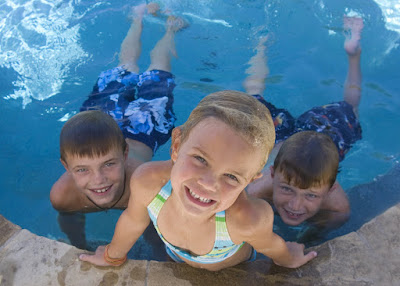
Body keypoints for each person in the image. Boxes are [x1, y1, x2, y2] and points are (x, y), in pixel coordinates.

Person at [79, 90, 317, 270]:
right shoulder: (149, 183)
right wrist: (113, 255)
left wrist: (288, 257)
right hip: (174, 255)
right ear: (176, 145)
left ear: (250, 182)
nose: (209, 183)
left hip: (234, 267)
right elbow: (133, 221)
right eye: (201, 159)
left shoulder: (247, 220)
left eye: (232, 176)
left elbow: (269, 245)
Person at [50, 3, 187, 249]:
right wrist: (78, 245)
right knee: (126, 66)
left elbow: (156, 225)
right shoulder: (63, 196)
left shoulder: (143, 184)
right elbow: (70, 222)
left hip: (146, 126)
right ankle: (137, 19)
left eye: (109, 164)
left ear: (124, 155)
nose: (99, 180)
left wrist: (160, 253)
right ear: (66, 166)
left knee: (157, 66)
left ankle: (169, 30)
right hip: (101, 123)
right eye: (82, 170)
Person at [246, 16, 364, 234]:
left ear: (331, 189)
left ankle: (353, 54)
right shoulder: (256, 190)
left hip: (322, 133)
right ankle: (260, 46)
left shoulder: (338, 207)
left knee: (351, 108)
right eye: (286, 189)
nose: (295, 205)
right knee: (252, 98)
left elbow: (334, 220)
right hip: (278, 137)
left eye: (311, 195)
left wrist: (306, 240)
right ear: (271, 175)